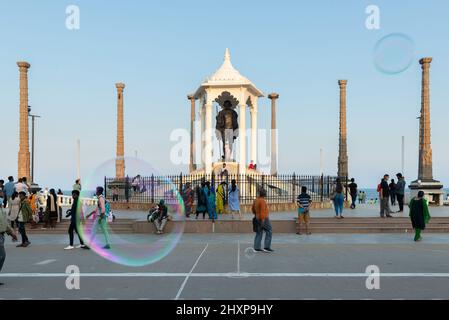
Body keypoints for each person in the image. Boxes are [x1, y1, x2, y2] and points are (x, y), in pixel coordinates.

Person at [0, 196, 18, 285]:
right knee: (1, 256)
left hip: (1, 235)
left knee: (2, 257)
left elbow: (4, 223)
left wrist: (12, 233)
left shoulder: (1, 211)